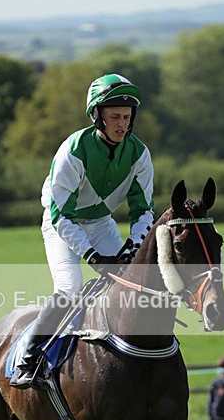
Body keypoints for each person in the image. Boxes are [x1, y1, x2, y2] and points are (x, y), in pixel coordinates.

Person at [11, 73, 155, 389]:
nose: (122, 124)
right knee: (70, 288)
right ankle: (29, 357)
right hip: (62, 224)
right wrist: (92, 255)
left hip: (101, 222)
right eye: (115, 116)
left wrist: (134, 244)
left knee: (132, 284)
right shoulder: (73, 149)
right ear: (97, 116)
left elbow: (143, 211)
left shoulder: (139, 154)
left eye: (127, 117)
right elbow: (61, 215)